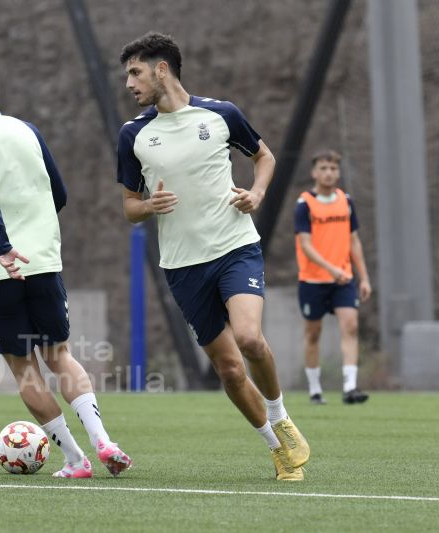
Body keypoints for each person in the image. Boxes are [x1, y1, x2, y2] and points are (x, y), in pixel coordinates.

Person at [116, 32, 309, 481]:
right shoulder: (134, 135)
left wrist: (257, 193)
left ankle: (281, 417)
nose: (129, 83)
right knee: (227, 367)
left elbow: (265, 157)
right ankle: (276, 448)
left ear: (162, 69)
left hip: (235, 247)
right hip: (183, 266)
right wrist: (148, 206)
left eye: (135, 72)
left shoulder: (221, 114)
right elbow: (128, 206)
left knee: (249, 340)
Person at [0, 59, 131, 478]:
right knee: (60, 356)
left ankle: (77, 461)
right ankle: (104, 441)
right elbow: (58, 192)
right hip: (43, 260)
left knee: (24, 368)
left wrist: (3, 246)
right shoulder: (27, 129)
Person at [295, 149, 371, 405]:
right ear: (314, 172)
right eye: (324, 168)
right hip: (313, 280)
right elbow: (306, 245)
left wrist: (364, 277)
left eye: (333, 169)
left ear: (338, 172)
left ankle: (350, 387)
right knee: (313, 334)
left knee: (350, 326)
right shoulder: (304, 203)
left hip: (343, 279)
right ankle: (315, 390)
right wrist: (331, 268)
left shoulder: (345, 201)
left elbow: (354, 241)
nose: (329, 173)